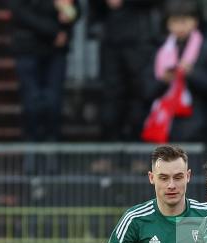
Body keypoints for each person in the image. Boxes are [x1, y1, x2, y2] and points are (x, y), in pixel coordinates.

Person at [146, 0, 207, 142]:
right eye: (175, 21)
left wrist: (192, 74)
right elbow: (146, 91)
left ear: (195, 22)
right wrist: (163, 81)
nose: (180, 27)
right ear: (168, 24)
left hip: (200, 129)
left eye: (184, 21)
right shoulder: (160, 52)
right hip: (166, 128)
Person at [8, 0, 80, 148]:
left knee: (54, 104)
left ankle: (51, 156)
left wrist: (70, 15)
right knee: (32, 103)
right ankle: (32, 156)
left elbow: (75, 9)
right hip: (28, 46)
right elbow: (19, 10)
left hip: (56, 49)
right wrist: (54, 31)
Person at [89, 0, 162, 141]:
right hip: (111, 40)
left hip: (140, 40)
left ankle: (138, 148)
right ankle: (110, 148)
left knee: (139, 93)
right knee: (111, 95)